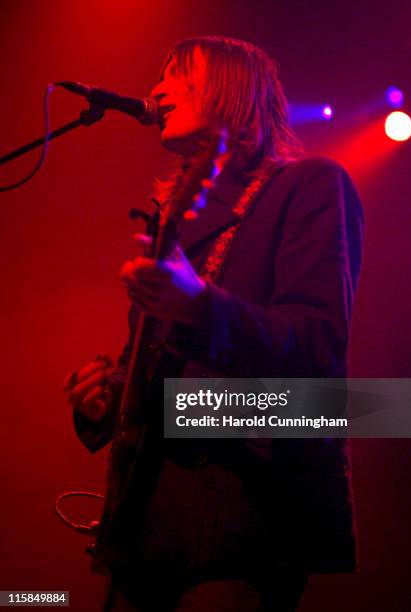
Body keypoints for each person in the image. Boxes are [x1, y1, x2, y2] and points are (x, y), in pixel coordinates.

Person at [63, 36, 364, 611]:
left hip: (245, 512)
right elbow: (159, 367)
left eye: (177, 76)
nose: (154, 91)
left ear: (231, 90)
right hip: (147, 517)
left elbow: (318, 352)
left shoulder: (311, 185)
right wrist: (104, 399)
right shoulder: (177, 222)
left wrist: (198, 304)